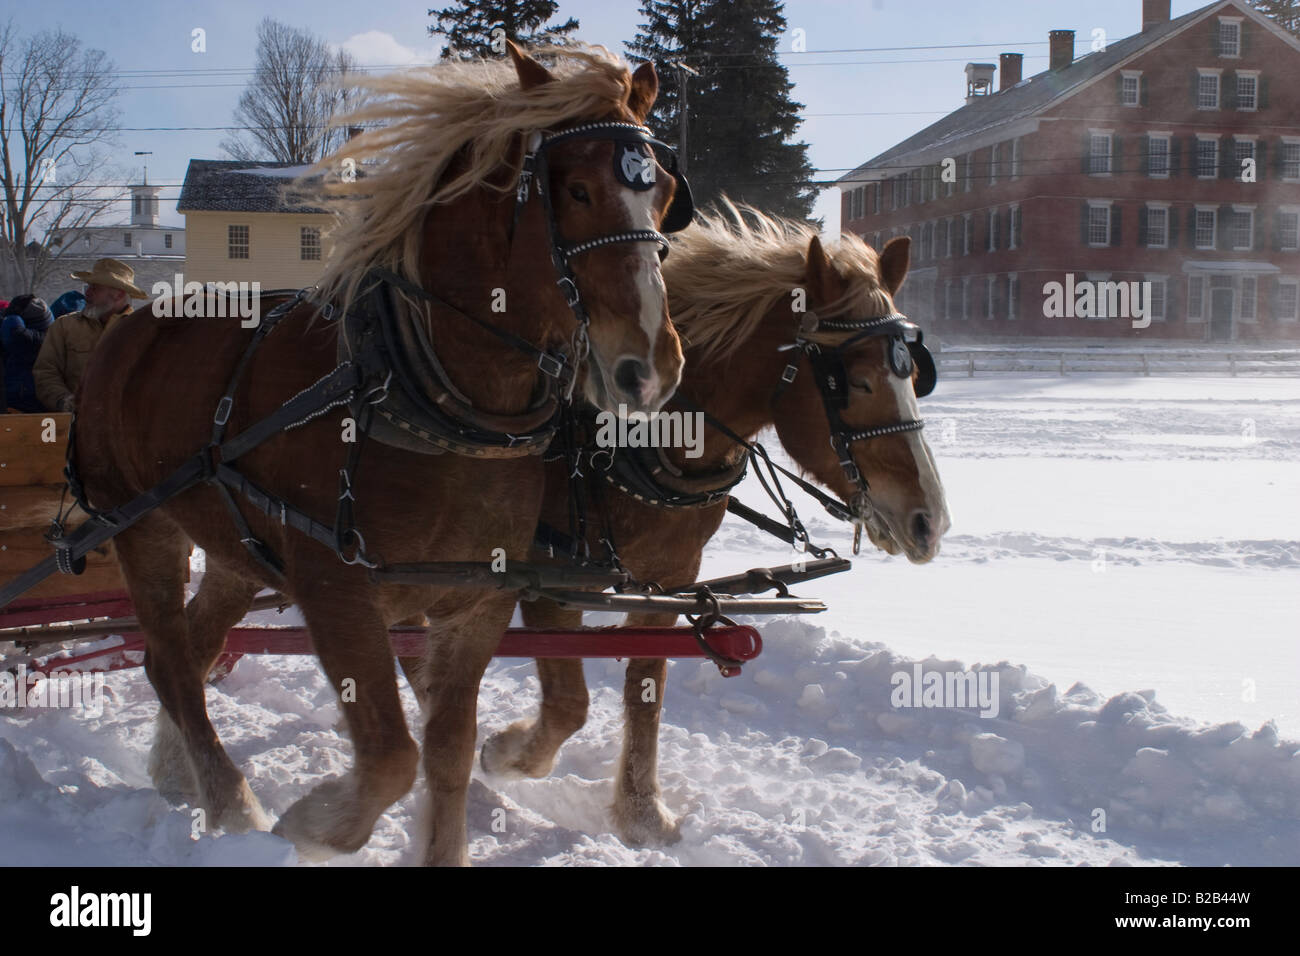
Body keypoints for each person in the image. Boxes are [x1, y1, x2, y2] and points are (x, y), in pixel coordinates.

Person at [33, 258, 148, 413]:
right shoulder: (64, 326)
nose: (87, 292)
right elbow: (45, 372)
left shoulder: (142, 331)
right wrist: (64, 401)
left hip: (127, 427)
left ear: (118, 294)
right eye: (88, 286)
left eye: (95, 288)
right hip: (75, 429)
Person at [2, 295, 55, 413]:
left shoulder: (23, 339)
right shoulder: (55, 338)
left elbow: (16, 336)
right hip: (45, 406)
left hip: (21, 402)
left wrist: (10, 322)